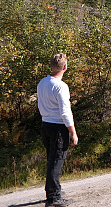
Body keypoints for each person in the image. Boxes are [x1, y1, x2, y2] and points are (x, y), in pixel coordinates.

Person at [37, 53, 78, 207]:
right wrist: (73, 132)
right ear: (65, 67)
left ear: (51, 66)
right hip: (58, 127)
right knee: (56, 161)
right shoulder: (61, 86)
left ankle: (53, 191)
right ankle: (54, 198)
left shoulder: (42, 83)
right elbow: (65, 112)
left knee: (52, 159)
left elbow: (40, 104)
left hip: (45, 125)